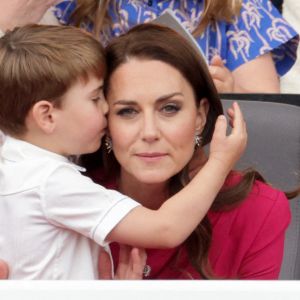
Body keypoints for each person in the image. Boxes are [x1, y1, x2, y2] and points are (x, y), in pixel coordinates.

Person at [0, 24, 246, 279]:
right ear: (47, 115)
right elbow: (165, 229)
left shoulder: (15, 167)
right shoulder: (51, 182)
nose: (106, 109)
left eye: (169, 108)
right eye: (96, 98)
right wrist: (220, 161)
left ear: (201, 114)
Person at [82, 23, 294, 279]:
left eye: (169, 108)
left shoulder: (258, 209)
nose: (149, 132)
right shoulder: (70, 198)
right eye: (127, 111)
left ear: (200, 117)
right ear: (106, 122)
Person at [0, 0, 298, 93]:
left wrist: (229, 92)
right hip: (103, 156)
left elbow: (268, 110)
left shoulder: (239, 8)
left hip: (203, 154)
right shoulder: (78, 5)